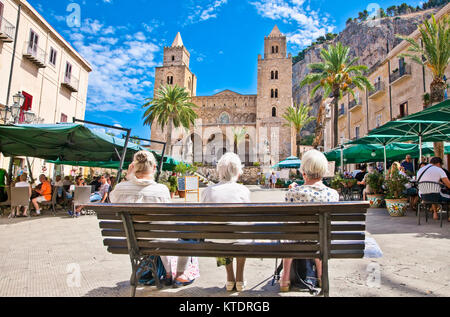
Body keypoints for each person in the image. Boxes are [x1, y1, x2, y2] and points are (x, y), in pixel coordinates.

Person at [110, 151, 200, 288]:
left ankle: (168, 273)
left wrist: (127, 177)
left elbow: (112, 199)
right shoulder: (161, 190)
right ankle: (177, 274)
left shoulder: (120, 189)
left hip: (131, 242)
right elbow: (167, 223)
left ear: (133, 167)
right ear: (154, 168)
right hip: (158, 239)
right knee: (183, 231)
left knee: (160, 234)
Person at [282, 150, 340, 292]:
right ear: (323, 171)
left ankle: (285, 278)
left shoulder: (292, 193)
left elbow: (289, 221)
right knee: (319, 237)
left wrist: (295, 189)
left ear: (303, 172)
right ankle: (321, 275)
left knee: (288, 235)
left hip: (296, 241)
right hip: (321, 242)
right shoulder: (333, 194)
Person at [201, 152, 251, 292]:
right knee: (241, 233)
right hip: (240, 239)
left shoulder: (207, 191)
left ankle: (230, 278)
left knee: (219, 232)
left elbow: (205, 220)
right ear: (237, 172)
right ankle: (239, 278)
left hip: (217, 240)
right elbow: (248, 220)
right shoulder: (243, 190)